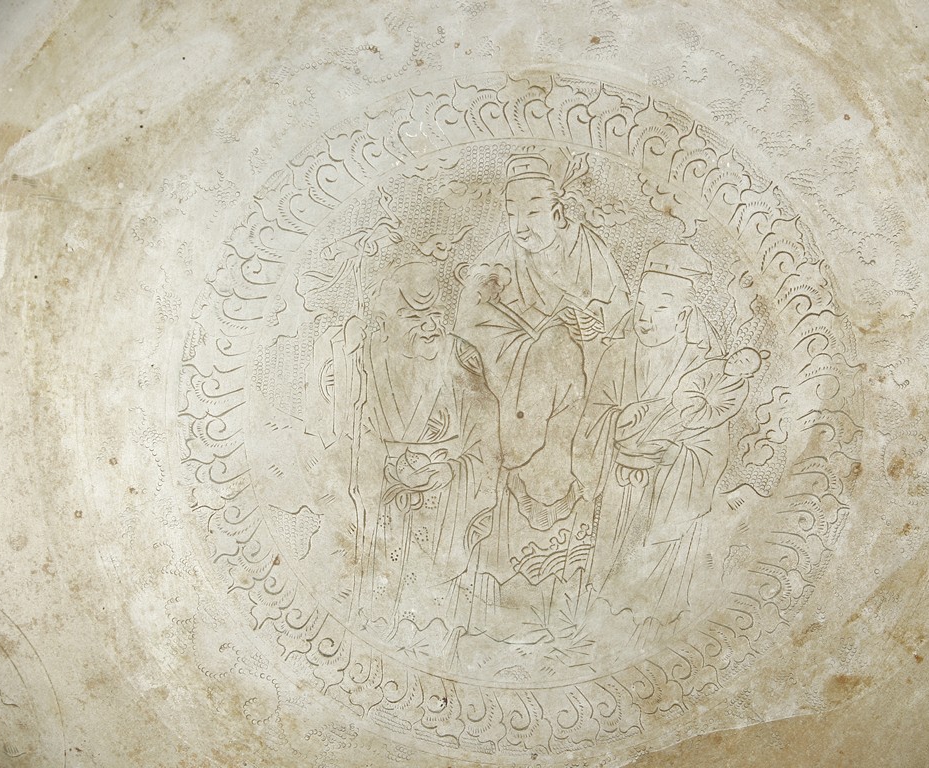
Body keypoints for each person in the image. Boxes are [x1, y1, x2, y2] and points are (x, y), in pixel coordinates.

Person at [452, 153, 629, 639]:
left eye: (532, 211)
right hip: (517, 383)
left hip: (580, 392)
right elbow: (470, 323)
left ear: (557, 210)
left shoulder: (589, 250)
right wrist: (524, 341)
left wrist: (593, 324)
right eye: (512, 213)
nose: (521, 225)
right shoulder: (498, 256)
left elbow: (618, 314)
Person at [572, 243, 766, 644]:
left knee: (649, 601)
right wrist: (619, 425)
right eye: (641, 303)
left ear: (684, 315)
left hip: (667, 497)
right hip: (616, 488)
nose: (644, 317)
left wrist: (670, 452)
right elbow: (591, 420)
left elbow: (710, 449)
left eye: (660, 306)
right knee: (603, 582)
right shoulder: (618, 354)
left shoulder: (704, 367)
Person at [317, 258, 500, 652]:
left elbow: (488, 439)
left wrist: (451, 471)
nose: (431, 326)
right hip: (380, 511)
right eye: (415, 317)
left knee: (434, 622)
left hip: (445, 509)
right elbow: (340, 439)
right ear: (383, 322)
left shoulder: (460, 358)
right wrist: (384, 469)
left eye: (436, 314)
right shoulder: (359, 363)